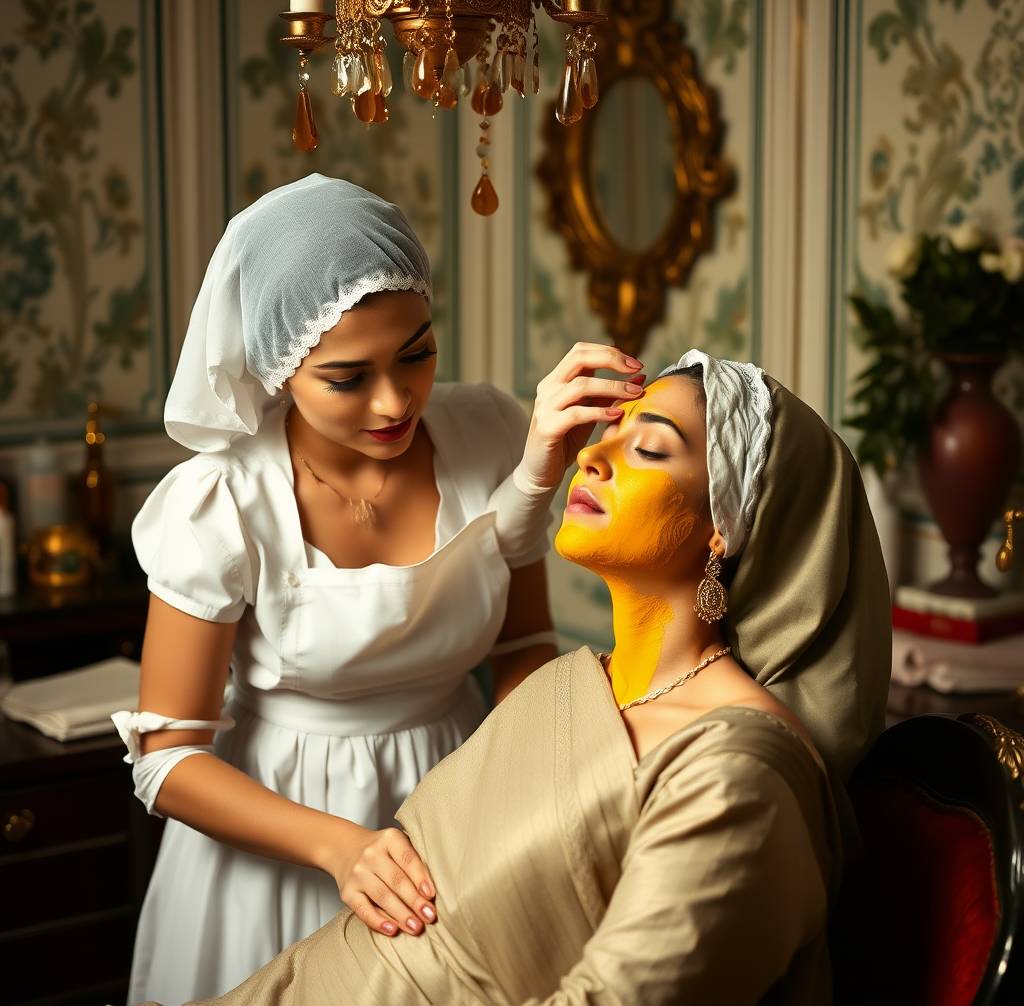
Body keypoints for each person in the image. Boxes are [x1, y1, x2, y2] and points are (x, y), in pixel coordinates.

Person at [146, 350, 891, 1006]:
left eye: (651, 450)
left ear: (725, 526)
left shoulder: (737, 775)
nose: (593, 459)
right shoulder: (567, 686)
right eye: (611, 433)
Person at [112, 174, 648, 1005]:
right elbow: (167, 761)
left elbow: (521, 646)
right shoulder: (219, 502)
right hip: (276, 844)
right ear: (281, 368)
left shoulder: (493, 432)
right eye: (347, 378)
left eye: (417, 354)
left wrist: (533, 793)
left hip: (454, 804)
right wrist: (340, 847)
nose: (395, 401)